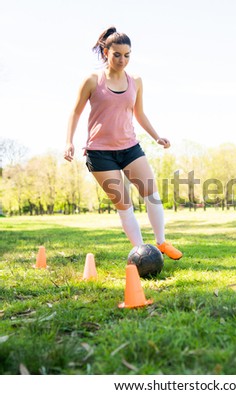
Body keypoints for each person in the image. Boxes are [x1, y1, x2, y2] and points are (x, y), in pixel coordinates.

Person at [64, 26, 182, 260]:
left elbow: (139, 114)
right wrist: (68, 142)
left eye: (127, 55)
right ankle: (141, 253)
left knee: (151, 193)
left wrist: (156, 136)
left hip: (130, 148)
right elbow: (75, 112)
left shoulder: (135, 81)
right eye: (117, 54)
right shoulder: (91, 80)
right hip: (100, 152)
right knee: (124, 203)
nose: (122, 60)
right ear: (105, 52)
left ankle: (161, 243)